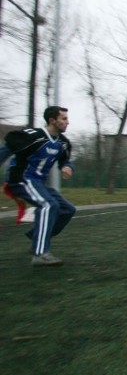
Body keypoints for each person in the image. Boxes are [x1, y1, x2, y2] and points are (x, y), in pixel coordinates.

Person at [0, 106, 76, 266]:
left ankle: (37, 237)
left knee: (68, 209)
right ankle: (40, 254)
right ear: (52, 120)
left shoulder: (63, 143)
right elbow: (5, 150)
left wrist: (67, 167)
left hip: (38, 183)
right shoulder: (33, 136)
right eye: (64, 118)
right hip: (21, 179)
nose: (67, 122)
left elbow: (65, 160)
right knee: (48, 205)